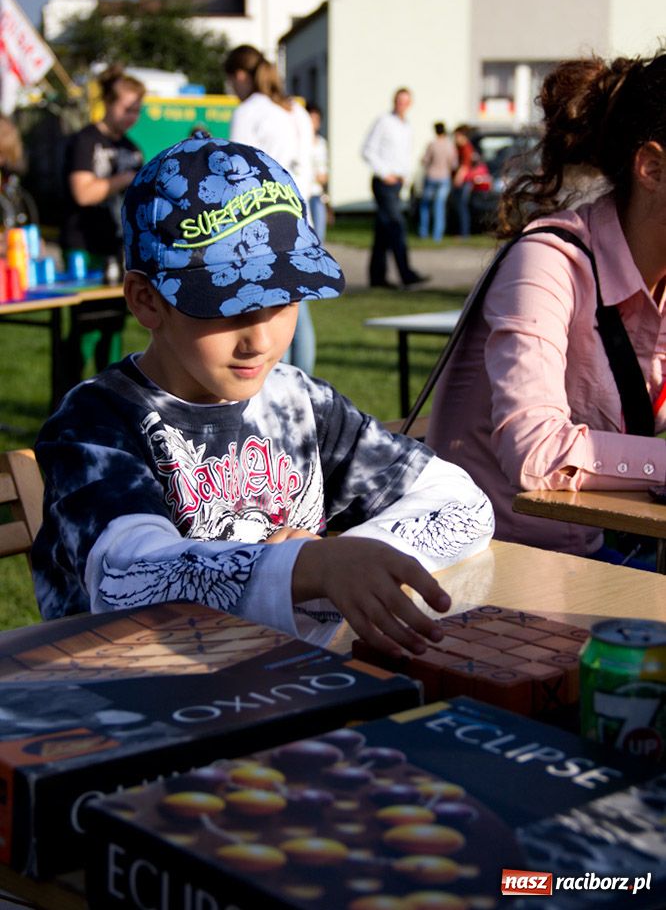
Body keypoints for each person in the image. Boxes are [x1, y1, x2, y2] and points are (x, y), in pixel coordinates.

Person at [32, 134, 494, 658]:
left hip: (289, 686)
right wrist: (305, 569)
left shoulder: (301, 402)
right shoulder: (96, 425)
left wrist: (352, 558)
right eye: (227, 307)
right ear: (147, 301)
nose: (262, 339)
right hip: (135, 702)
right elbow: (129, 580)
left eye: (284, 302)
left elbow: (462, 504)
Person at [427, 50, 666, 566]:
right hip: (500, 566)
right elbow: (535, 453)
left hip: (603, 545)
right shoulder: (546, 262)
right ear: (652, 168)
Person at [225, 44, 316, 375]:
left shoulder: (249, 110)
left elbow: (236, 172)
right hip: (301, 213)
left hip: (262, 218)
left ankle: (279, 381)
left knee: (268, 308)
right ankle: (301, 380)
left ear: (239, 76)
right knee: (296, 307)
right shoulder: (295, 109)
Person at [61, 64, 145, 383]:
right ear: (109, 102)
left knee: (112, 329)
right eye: (127, 108)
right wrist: (121, 179)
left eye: (137, 110)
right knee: (85, 331)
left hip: (117, 248)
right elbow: (82, 193)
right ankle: (67, 400)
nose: (132, 116)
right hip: (84, 245)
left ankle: (108, 398)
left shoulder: (132, 149)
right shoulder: (85, 141)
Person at [362, 88, 428, 289]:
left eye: (405, 101)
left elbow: (404, 155)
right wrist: (385, 173)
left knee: (383, 232)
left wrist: (404, 178)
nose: (402, 104)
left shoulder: (406, 126)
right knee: (396, 226)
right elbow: (367, 150)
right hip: (384, 183)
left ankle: (377, 277)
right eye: (399, 101)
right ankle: (406, 273)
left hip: (397, 183)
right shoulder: (384, 122)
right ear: (394, 101)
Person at [418, 121, 458, 242]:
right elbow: (454, 164)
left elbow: (425, 161)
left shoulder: (432, 144)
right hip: (444, 177)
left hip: (431, 177)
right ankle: (437, 235)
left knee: (425, 205)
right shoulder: (450, 145)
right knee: (439, 206)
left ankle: (423, 232)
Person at [306, 102, 329, 244]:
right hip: (304, 193)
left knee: (319, 235)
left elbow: (324, 173)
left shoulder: (321, 143)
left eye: (316, 120)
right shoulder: (299, 142)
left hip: (317, 193)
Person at [451, 125, 474, 238]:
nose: (455, 138)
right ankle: (461, 231)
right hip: (462, 180)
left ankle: (463, 233)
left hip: (464, 181)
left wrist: (457, 179)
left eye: (457, 136)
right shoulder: (459, 147)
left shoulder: (466, 148)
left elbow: (465, 166)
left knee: (461, 206)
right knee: (459, 206)